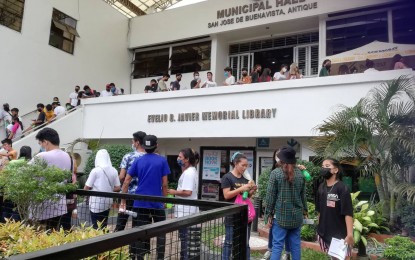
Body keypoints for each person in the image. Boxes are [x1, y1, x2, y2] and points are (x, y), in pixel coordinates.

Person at [120, 134, 170, 260]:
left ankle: (140, 258)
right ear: (156, 145)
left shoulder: (138, 160)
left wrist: (123, 200)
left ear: (143, 145)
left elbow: (126, 181)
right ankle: (160, 258)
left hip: (140, 201)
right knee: (161, 232)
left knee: (140, 231)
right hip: (157, 201)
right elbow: (164, 184)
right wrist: (164, 200)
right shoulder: (162, 160)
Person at [264, 146, 308, 260]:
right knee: (296, 246)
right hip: (297, 217)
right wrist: (305, 211)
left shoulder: (276, 173)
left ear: (282, 160)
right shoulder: (300, 174)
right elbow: (303, 195)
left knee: (277, 245)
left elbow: (270, 196)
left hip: (281, 217)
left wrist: (268, 214)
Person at [30, 128, 72, 230]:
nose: (41, 146)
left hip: (41, 205)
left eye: (41, 143)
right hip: (60, 205)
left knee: (37, 237)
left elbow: (26, 173)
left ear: (46, 142)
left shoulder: (41, 156)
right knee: (52, 234)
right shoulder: (67, 156)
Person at [221, 152, 257, 260]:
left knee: (245, 243)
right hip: (231, 215)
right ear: (236, 163)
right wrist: (241, 188)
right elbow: (226, 195)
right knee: (229, 242)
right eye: (243, 165)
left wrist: (252, 191)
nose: (245, 168)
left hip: (245, 216)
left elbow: (245, 198)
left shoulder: (245, 179)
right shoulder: (227, 177)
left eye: (247, 165)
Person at [316, 158, 353, 259]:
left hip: (339, 234)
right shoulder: (321, 188)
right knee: (332, 257)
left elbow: (348, 213)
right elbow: (319, 210)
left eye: (327, 166)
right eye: (323, 166)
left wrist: (350, 234)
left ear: (335, 170)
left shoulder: (342, 188)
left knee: (343, 258)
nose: (324, 169)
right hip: (324, 232)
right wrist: (319, 228)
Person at [167, 148, 200, 260]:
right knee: (185, 240)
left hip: (186, 212)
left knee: (185, 240)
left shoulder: (189, 173)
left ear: (186, 159)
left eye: (180, 157)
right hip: (187, 211)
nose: (178, 159)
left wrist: (173, 192)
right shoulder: (189, 171)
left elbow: (187, 192)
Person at [114, 131, 146, 232]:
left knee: (121, 224)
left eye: (133, 141)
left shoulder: (128, 156)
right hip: (142, 196)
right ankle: (135, 246)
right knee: (137, 226)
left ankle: (115, 245)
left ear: (137, 143)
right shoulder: (149, 157)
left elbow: (122, 176)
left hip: (127, 195)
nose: (132, 143)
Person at [84, 149, 121, 229]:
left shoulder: (95, 171)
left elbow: (86, 188)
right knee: (104, 224)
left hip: (96, 203)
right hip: (108, 201)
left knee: (95, 225)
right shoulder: (113, 170)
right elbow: (118, 187)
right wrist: (108, 189)